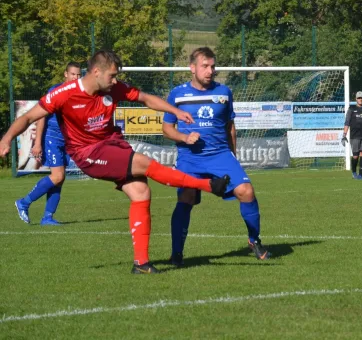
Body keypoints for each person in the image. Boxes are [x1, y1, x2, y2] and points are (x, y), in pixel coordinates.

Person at [0, 50, 230, 274]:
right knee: (144, 162)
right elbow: (29, 116)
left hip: (113, 144)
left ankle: (141, 263)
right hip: (87, 152)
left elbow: (145, 98)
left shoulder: (113, 88)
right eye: (112, 75)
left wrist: (175, 111)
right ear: (96, 72)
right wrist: (7, 138)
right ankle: (208, 186)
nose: (115, 80)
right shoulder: (64, 93)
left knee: (141, 193)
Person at [162, 47, 270, 267]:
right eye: (205, 66)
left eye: (212, 66)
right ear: (192, 68)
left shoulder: (224, 92)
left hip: (220, 154)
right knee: (186, 199)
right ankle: (176, 253)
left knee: (246, 191)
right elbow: (166, 129)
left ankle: (254, 240)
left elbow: (230, 126)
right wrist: (184, 138)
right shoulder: (178, 94)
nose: (210, 71)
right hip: (189, 158)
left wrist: (233, 155)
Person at [15, 62, 82, 225]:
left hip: (66, 140)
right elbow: (41, 117)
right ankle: (24, 202)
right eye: (73, 74)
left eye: (79, 75)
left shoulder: (80, 93)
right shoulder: (56, 91)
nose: (76, 78)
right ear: (65, 74)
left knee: (60, 178)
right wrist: (37, 143)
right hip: (52, 137)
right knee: (57, 176)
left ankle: (47, 218)